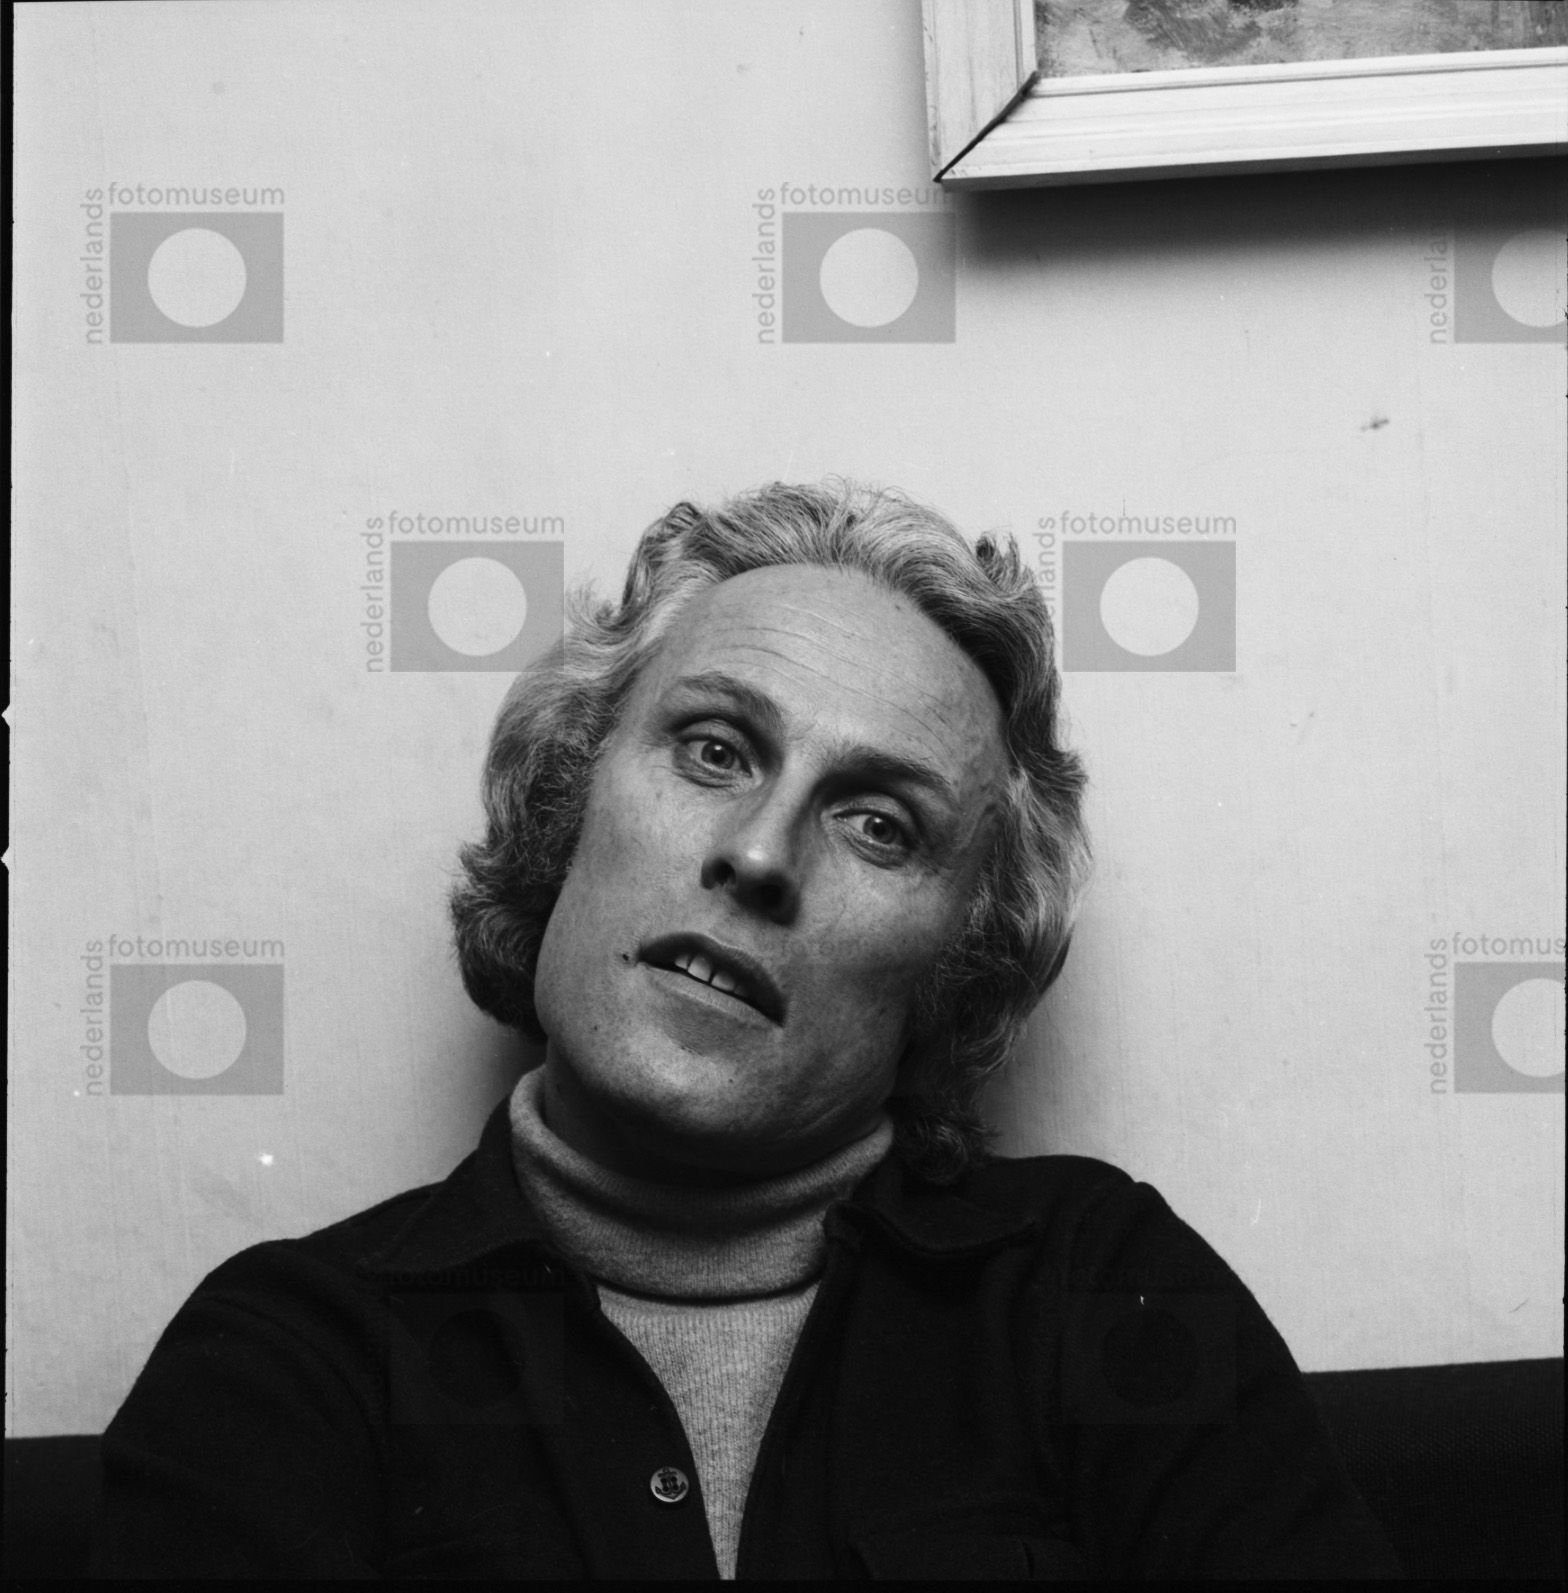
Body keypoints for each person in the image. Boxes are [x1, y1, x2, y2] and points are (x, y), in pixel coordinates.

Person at [91, 481, 1400, 1578]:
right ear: (569, 802)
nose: (763, 855)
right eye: (715, 750)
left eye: (880, 825)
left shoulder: (1099, 1289)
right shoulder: (290, 1359)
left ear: (958, 964)